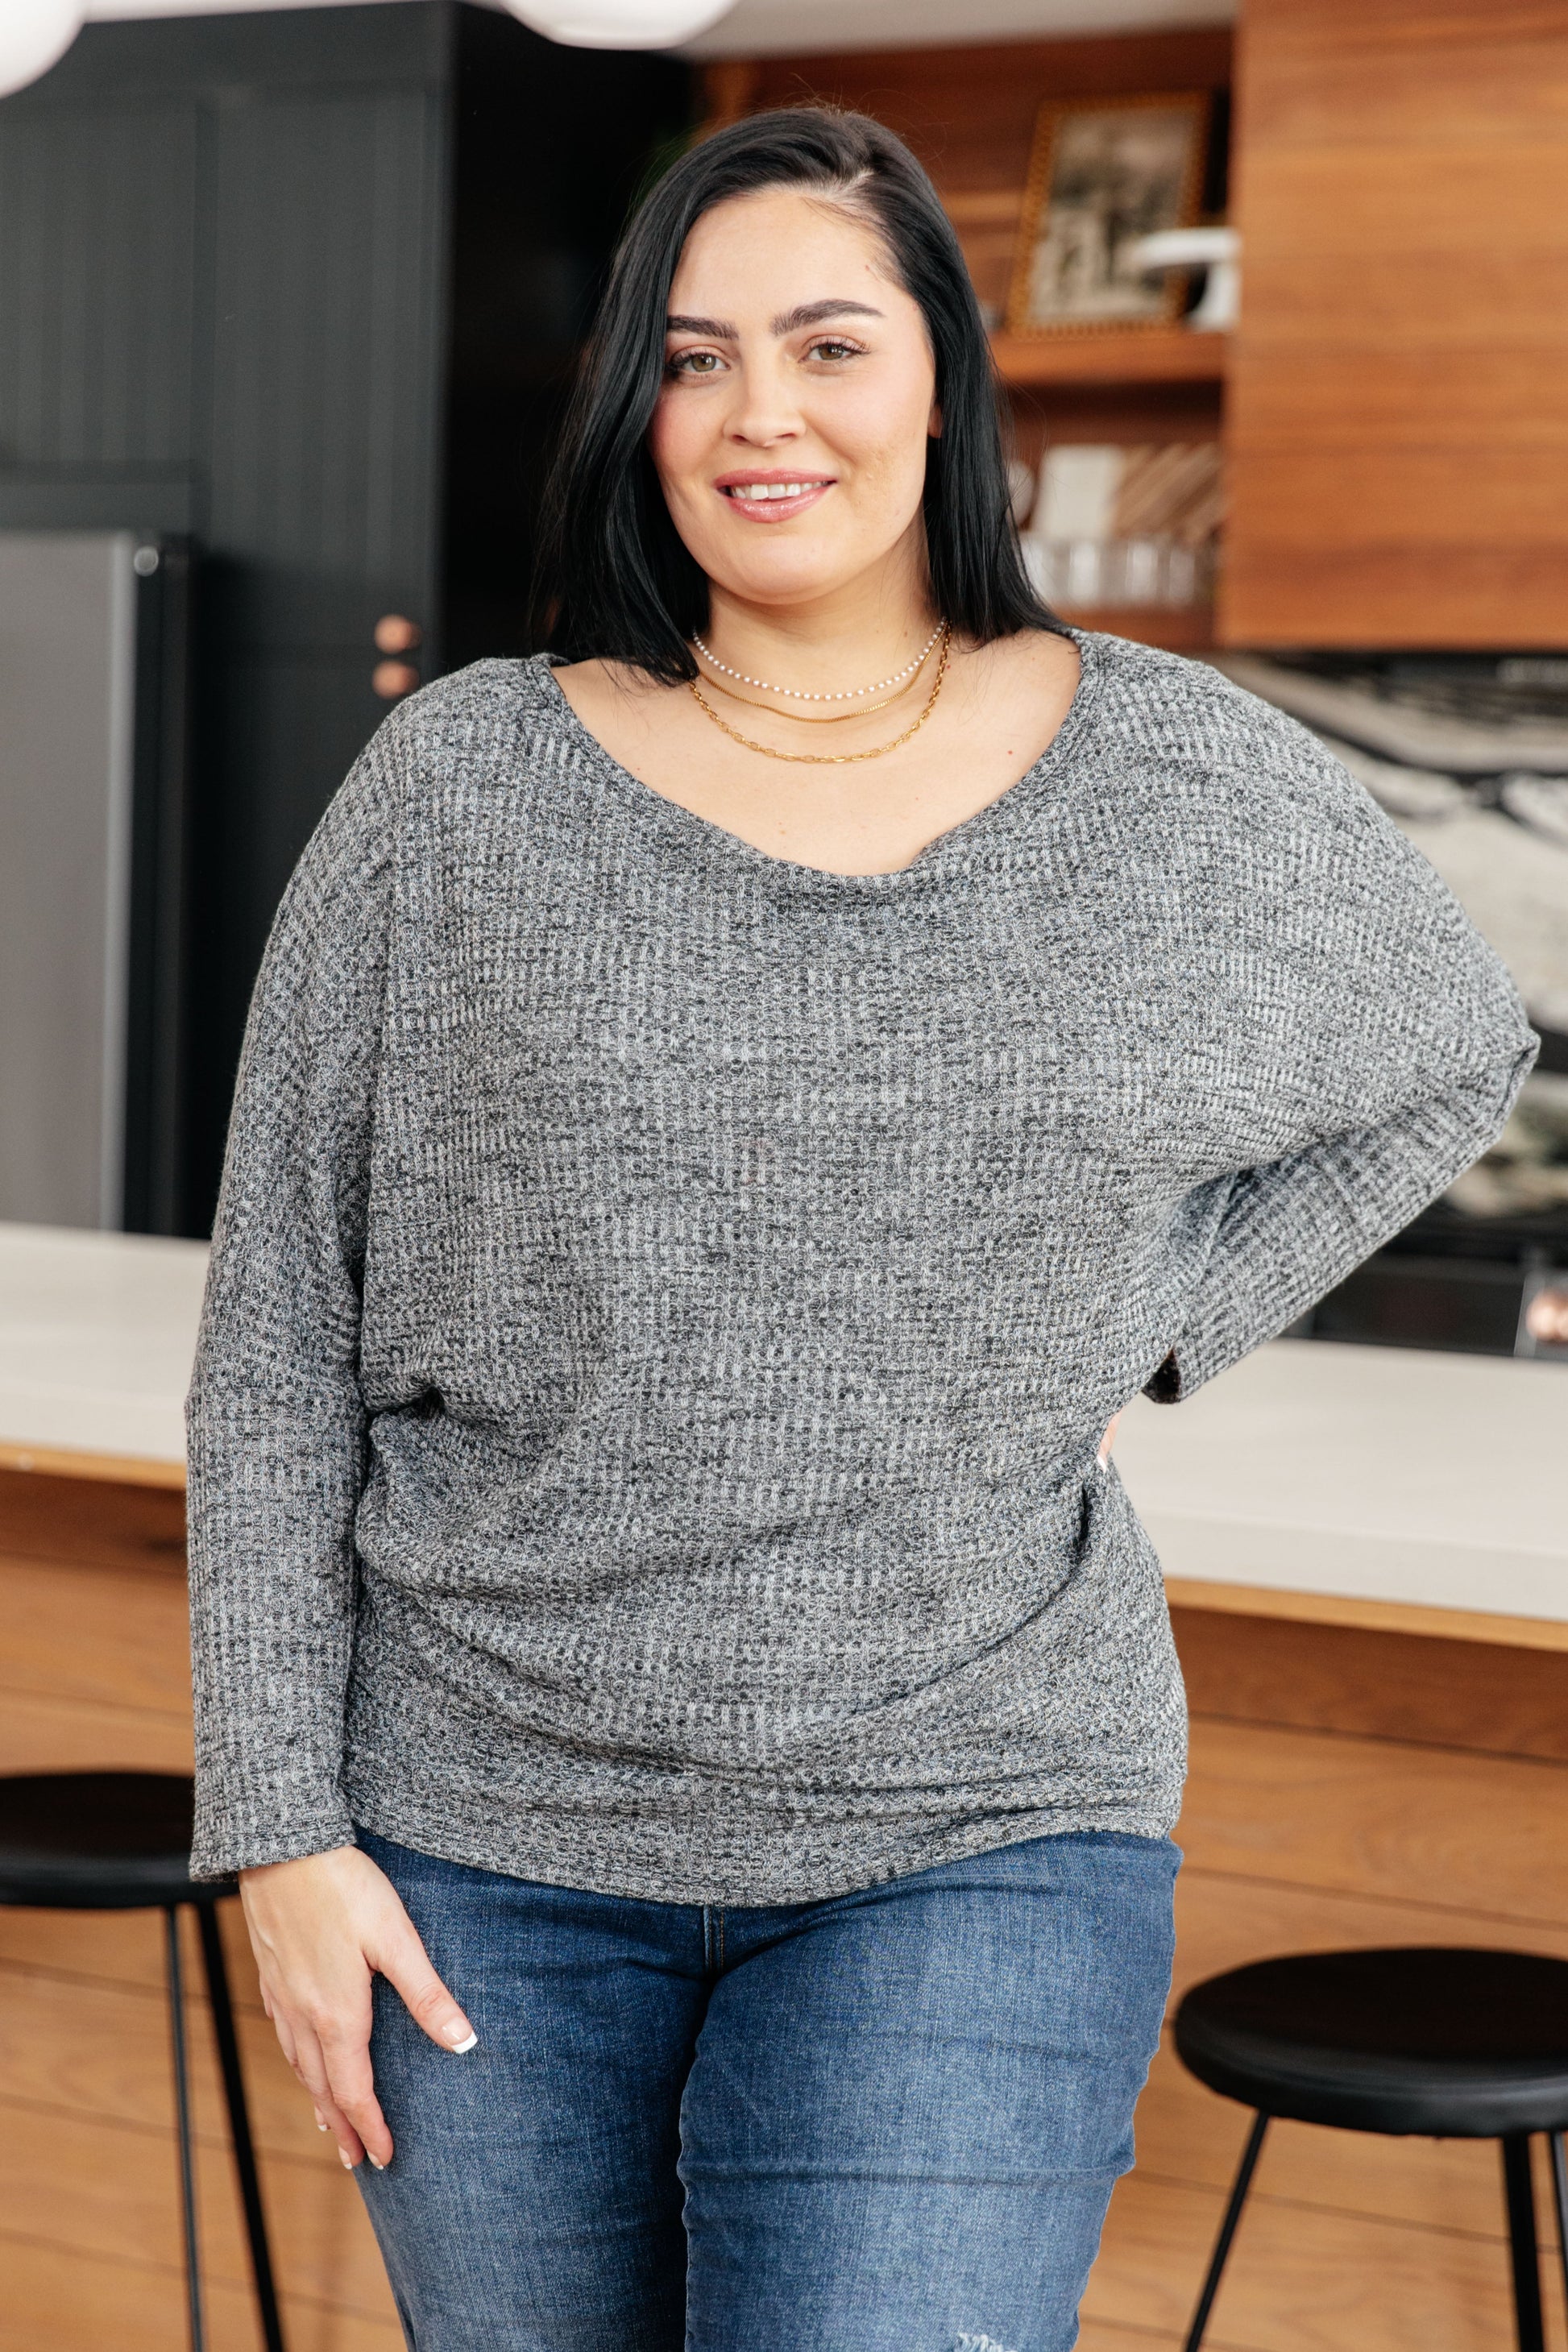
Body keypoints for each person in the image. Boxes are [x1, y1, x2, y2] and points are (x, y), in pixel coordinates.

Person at [185, 107, 1536, 2352]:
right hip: (477, 1840)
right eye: (695, 359)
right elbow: (275, 1344)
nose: (759, 413)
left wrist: (1166, 1311)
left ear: (940, 381)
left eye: (826, 341)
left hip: (973, 1815)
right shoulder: (459, 791)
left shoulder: (1173, 774)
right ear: (638, 411)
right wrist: (279, 1832)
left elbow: (1447, 1043)